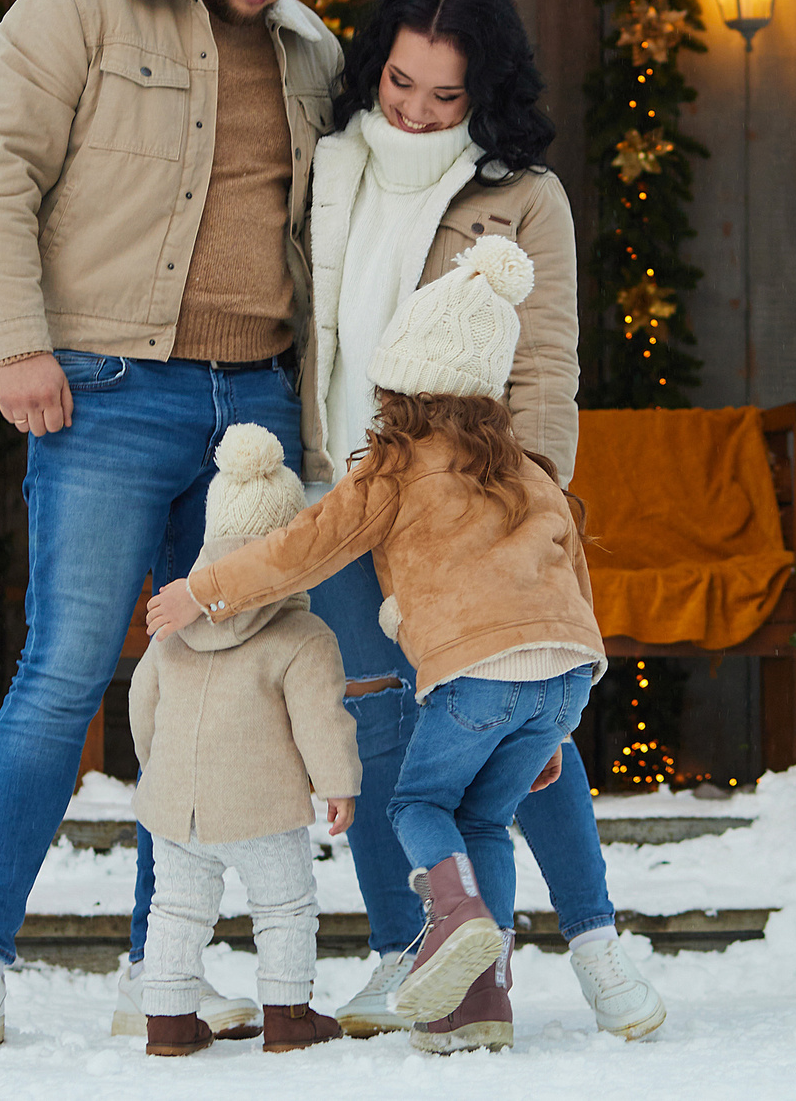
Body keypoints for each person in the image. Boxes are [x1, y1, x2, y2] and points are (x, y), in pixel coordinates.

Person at [0, 0, 343, 1054]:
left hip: (255, 406)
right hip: (105, 389)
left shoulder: (313, 53)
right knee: (65, 671)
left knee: (215, 687)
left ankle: (159, 973)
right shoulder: (81, 1)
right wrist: (16, 343)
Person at [300, 0, 666, 1042]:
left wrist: (525, 506)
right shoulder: (327, 167)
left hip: (472, 507)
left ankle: (595, 942)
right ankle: (405, 951)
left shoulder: (520, 195)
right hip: (348, 486)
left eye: (443, 95)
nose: (413, 109)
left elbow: (546, 365)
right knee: (381, 731)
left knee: (521, 721)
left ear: (484, 94)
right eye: (400, 83)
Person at [148, 235, 604, 1053]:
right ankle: (481, 1005)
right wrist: (557, 720)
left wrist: (202, 590)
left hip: (475, 674)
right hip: (565, 673)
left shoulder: (392, 466)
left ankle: (455, 913)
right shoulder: (528, 469)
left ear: (397, 378)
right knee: (486, 823)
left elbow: (301, 548)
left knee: (420, 805)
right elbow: (570, 567)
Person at [128, 425, 359, 1057]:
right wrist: (338, 783)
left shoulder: (170, 631)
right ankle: (288, 1016)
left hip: (180, 807)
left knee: (175, 908)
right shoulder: (303, 636)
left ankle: (168, 1023)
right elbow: (321, 719)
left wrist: (158, 767)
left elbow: (140, 703)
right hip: (264, 808)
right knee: (285, 907)